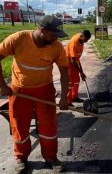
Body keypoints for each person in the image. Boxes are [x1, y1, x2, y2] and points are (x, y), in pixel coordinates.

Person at [0, 15, 69, 173]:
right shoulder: (18, 39)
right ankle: (21, 157)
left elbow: (64, 71)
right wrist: (2, 85)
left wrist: (64, 96)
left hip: (45, 90)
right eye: (53, 35)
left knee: (48, 126)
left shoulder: (56, 46)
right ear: (43, 31)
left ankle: (51, 157)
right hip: (19, 91)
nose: (55, 39)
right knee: (19, 125)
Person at [66, 30, 92, 105]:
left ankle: (74, 97)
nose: (86, 41)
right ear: (81, 36)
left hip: (75, 60)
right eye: (86, 39)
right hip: (68, 61)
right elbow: (73, 60)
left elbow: (76, 58)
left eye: (87, 40)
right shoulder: (74, 43)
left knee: (76, 80)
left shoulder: (82, 40)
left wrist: (81, 72)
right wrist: (81, 72)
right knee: (70, 82)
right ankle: (68, 100)